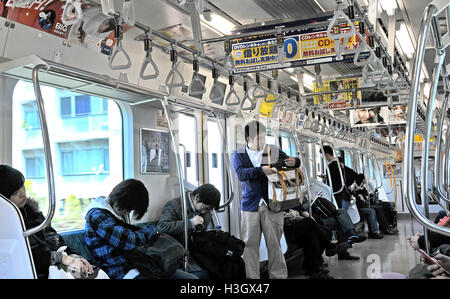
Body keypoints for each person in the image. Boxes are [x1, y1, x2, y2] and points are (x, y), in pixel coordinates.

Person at [84, 179, 197, 279]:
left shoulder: (115, 212)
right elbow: (127, 240)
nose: (128, 213)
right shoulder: (97, 215)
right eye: (129, 209)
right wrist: (150, 231)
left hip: (138, 263)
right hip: (119, 270)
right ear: (120, 202)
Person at [0, 165, 95, 279]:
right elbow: (28, 257)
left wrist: (74, 256)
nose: (23, 194)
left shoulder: (32, 212)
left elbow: (54, 237)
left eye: (22, 187)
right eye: (15, 192)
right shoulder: (6, 225)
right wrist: (62, 258)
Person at [233, 120, 300, 279]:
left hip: (273, 204)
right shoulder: (240, 153)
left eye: (264, 138)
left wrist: (295, 161)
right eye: (259, 139)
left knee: (275, 245)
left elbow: (291, 162)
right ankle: (252, 278)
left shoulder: (272, 150)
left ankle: (278, 276)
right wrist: (260, 170)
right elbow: (241, 174)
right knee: (250, 246)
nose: (262, 142)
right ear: (248, 139)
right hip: (250, 205)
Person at [157, 183, 221, 279]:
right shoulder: (174, 205)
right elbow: (162, 227)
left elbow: (200, 234)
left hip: (194, 251)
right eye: (205, 208)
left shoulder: (205, 212)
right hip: (175, 253)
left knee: (224, 267)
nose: (204, 212)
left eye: (208, 210)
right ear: (197, 197)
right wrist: (190, 223)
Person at [322, 146, 384, 239]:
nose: (323, 158)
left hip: (339, 196)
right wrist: (354, 186)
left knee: (340, 217)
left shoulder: (331, 166)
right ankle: (347, 237)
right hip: (345, 196)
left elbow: (332, 184)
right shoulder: (341, 166)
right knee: (342, 217)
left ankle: (345, 237)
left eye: (322, 155)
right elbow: (357, 177)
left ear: (326, 155)